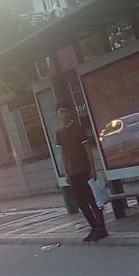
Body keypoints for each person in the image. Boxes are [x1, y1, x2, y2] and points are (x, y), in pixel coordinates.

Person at [55, 102, 108, 241]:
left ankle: (102, 228)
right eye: (60, 112)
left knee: (91, 199)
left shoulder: (78, 129)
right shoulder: (59, 133)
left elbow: (87, 149)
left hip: (83, 169)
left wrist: (92, 168)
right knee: (80, 202)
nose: (63, 115)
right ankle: (94, 227)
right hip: (72, 172)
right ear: (58, 115)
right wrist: (66, 173)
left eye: (65, 112)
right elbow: (63, 154)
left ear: (70, 113)